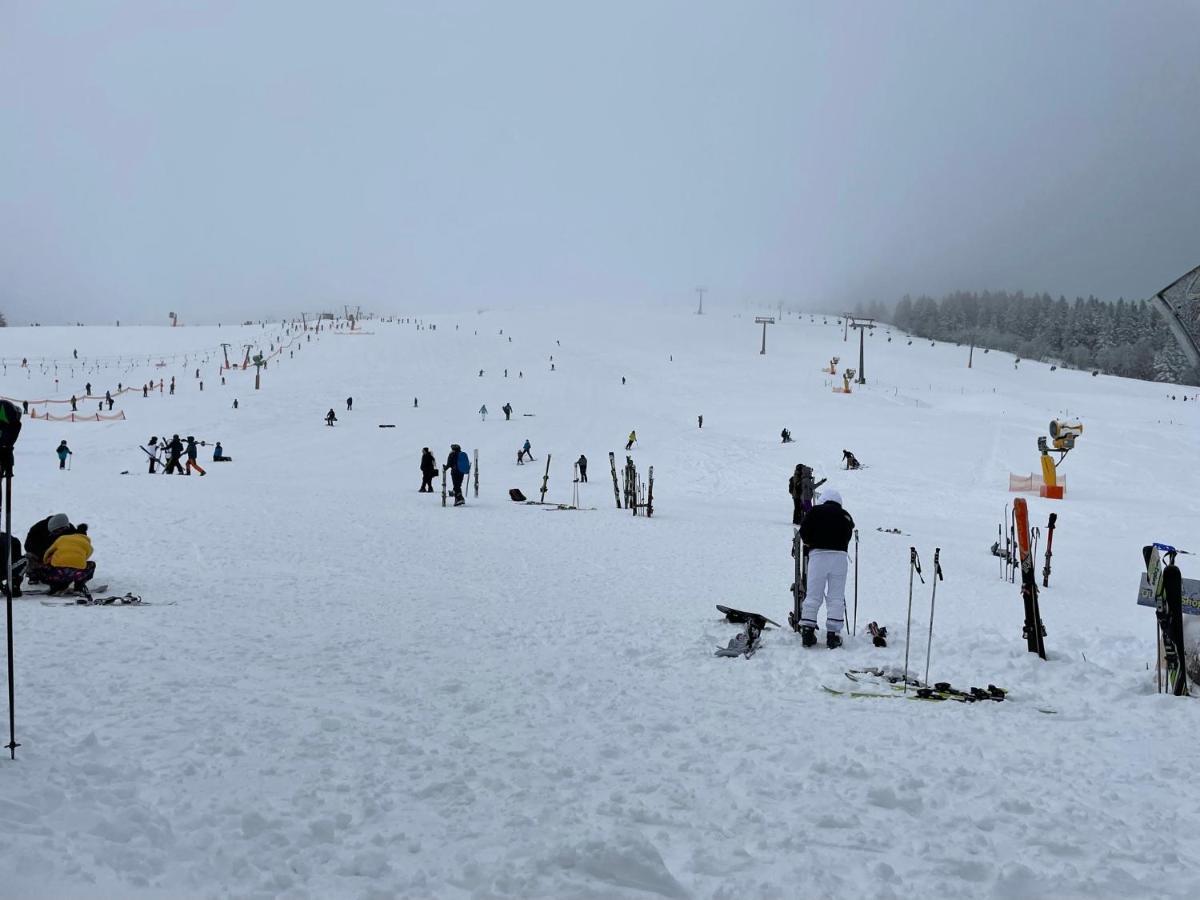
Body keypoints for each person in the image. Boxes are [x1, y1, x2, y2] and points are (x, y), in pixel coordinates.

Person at [797, 490, 855, 648]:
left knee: (814, 594)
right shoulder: (845, 515)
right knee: (836, 596)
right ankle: (833, 635)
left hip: (818, 556)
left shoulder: (814, 511)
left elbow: (803, 531)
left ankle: (808, 632)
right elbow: (849, 533)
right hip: (840, 558)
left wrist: (810, 543)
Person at [42, 523, 95, 597]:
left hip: (57, 572)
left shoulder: (62, 538)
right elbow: (85, 558)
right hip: (76, 573)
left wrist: (45, 561)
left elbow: (48, 552)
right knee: (91, 564)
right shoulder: (87, 544)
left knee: (51, 564)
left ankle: (55, 588)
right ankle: (78, 588)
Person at [25, 514, 73, 584]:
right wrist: (45, 555)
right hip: (41, 555)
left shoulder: (71, 530)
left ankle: (64, 574)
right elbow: (28, 546)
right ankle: (34, 575)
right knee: (29, 555)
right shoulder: (37, 529)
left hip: (60, 555)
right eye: (55, 532)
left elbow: (79, 542)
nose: (57, 534)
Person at [2, 532, 27, 597]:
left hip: (5, 568)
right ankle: (13, 586)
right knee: (25, 561)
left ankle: (12, 585)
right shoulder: (12, 540)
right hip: (6, 569)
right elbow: (17, 558)